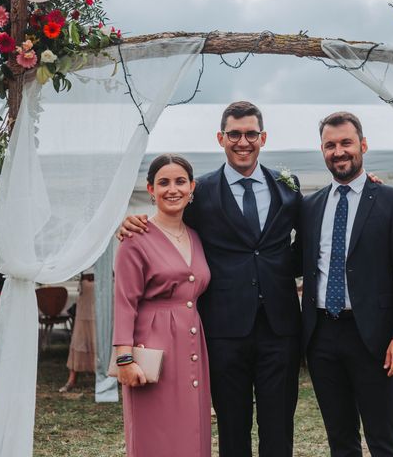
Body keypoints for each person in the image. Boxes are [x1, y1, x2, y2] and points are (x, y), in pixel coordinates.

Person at [119, 102, 303, 457]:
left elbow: (307, 243)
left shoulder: (288, 187)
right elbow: (167, 221)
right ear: (221, 138)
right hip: (222, 331)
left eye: (251, 133)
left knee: (278, 426)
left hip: (280, 329)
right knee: (232, 427)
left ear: (263, 138)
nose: (242, 141)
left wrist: (363, 180)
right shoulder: (199, 192)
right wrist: (130, 222)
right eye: (234, 134)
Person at [299, 111, 393, 456]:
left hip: (374, 337)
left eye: (346, 143)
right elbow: (292, 259)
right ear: (322, 151)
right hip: (321, 336)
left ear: (363, 146)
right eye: (330, 145)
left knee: (383, 439)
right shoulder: (310, 206)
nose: (339, 151)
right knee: (340, 439)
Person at [113, 154, 212, 457]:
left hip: (193, 341)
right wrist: (124, 360)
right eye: (164, 182)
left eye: (180, 181)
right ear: (150, 189)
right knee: (155, 433)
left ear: (192, 187)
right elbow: (124, 302)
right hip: (153, 346)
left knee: (193, 430)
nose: (173, 189)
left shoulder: (196, 235)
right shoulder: (135, 238)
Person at [59, 272, 96, 393]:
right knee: (80, 337)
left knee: (101, 336)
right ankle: (72, 378)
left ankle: (107, 376)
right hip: (85, 292)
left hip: (104, 289)